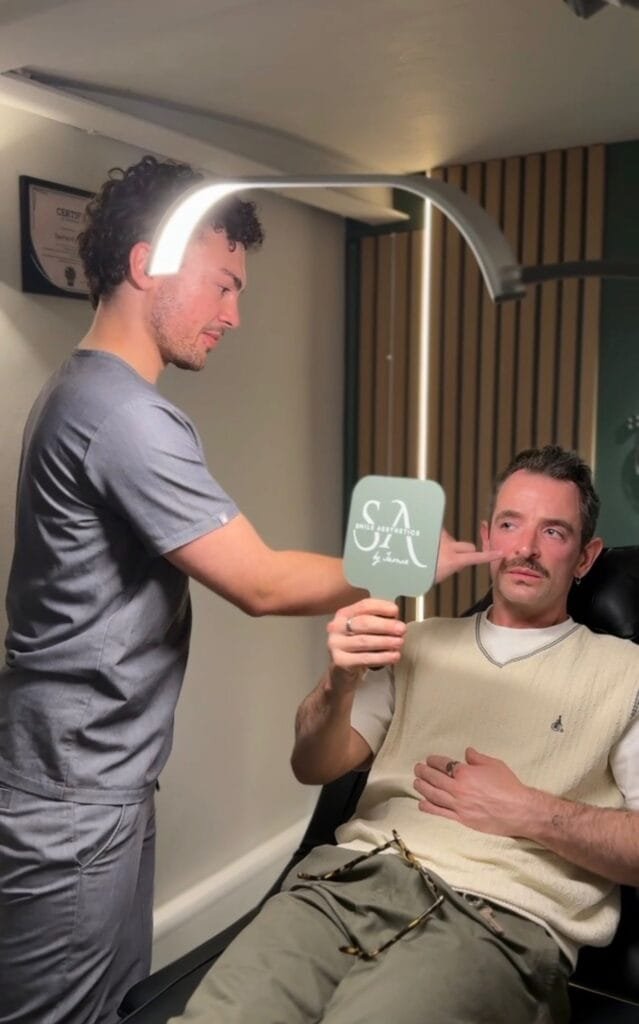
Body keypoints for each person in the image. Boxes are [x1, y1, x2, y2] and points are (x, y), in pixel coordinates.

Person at [0, 155, 496, 1024]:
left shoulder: (84, 391)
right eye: (224, 286)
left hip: (97, 776)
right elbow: (260, 583)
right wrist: (409, 558)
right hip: (72, 792)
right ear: (147, 263)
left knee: (114, 1005)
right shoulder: (125, 416)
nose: (233, 314)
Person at [174, 445, 639, 1024]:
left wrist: (527, 810)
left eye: (553, 531)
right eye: (510, 525)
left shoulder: (624, 674)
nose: (525, 547)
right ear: (486, 535)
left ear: (586, 556)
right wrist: (339, 680)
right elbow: (312, 764)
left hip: (492, 918)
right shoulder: (414, 642)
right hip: (346, 883)